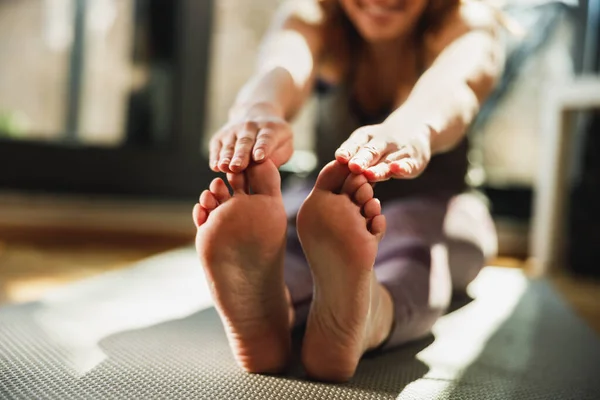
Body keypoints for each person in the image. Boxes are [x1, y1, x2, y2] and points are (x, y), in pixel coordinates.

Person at [193, 0, 504, 382]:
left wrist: (412, 128)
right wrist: (258, 111)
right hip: (330, 199)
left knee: (416, 240)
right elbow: (282, 64)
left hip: (441, 203)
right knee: (293, 223)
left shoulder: (469, 22)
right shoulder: (314, 17)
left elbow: (457, 84)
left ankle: (371, 312)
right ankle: (274, 304)